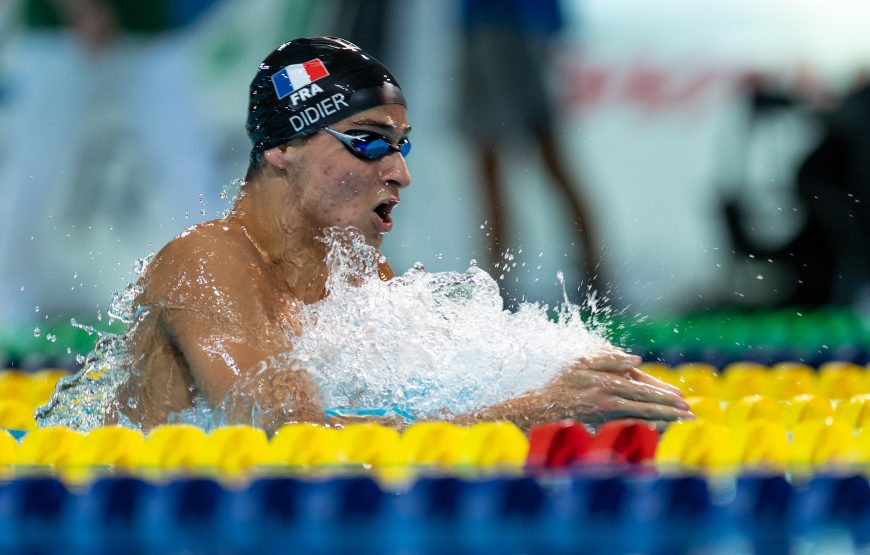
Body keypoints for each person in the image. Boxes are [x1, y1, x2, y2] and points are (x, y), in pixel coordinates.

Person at [110, 37, 691, 431]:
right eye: (368, 141)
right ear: (282, 148)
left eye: (401, 144)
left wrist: (570, 381)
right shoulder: (206, 263)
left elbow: (424, 403)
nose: (399, 172)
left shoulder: (353, 278)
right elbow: (292, 440)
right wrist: (534, 409)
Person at [0, 0, 220, 325]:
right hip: (59, 35)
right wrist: (81, 7)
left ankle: (215, 304)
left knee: (191, 174)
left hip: (150, 29)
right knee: (27, 178)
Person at [459, 0, 603, 304]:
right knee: (502, 162)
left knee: (510, 160)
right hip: (503, 24)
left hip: (506, 24)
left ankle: (498, 284)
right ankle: (499, 282)